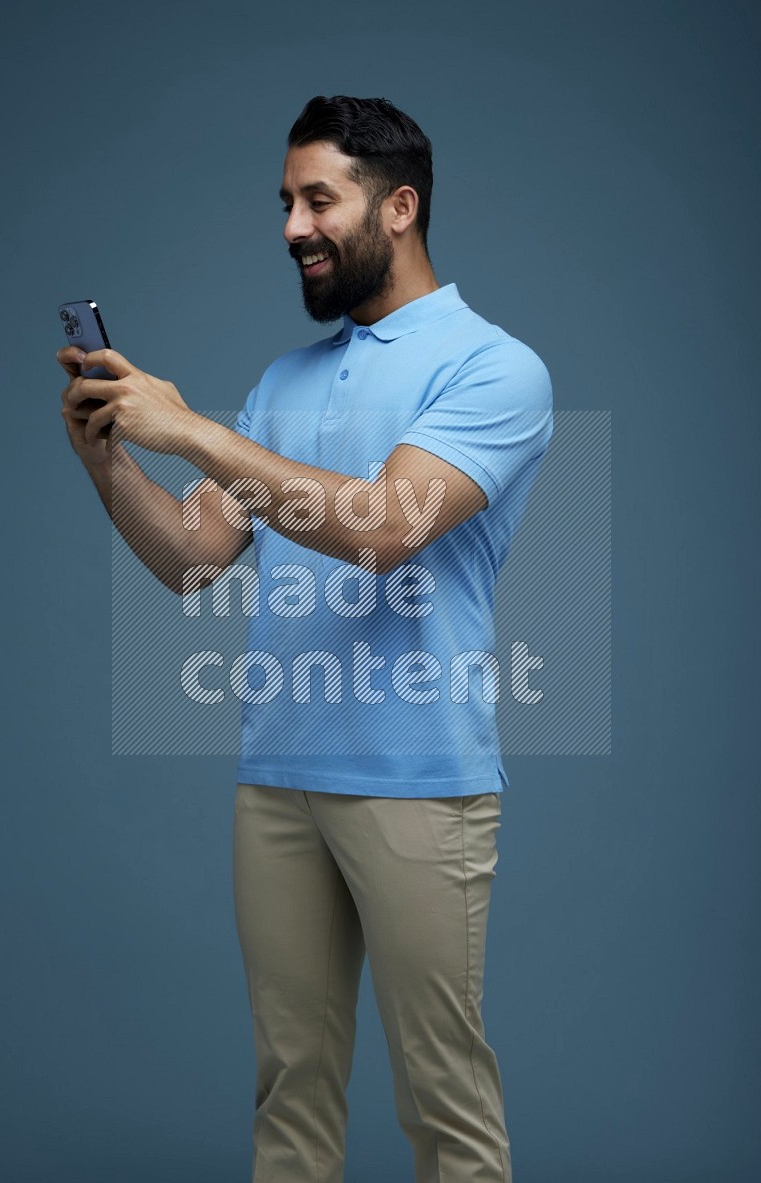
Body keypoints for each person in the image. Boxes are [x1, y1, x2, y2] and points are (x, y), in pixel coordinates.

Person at [58, 94, 553, 1183]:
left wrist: (192, 429)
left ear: (399, 206)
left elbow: (384, 528)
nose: (292, 225)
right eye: (285, 202)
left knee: (444, 1103)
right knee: (289, 1091)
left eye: (317, 198)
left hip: (420, 782)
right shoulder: (284, 380)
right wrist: (111, 456)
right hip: (275, 781)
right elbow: (191, 558)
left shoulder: (492, 368)